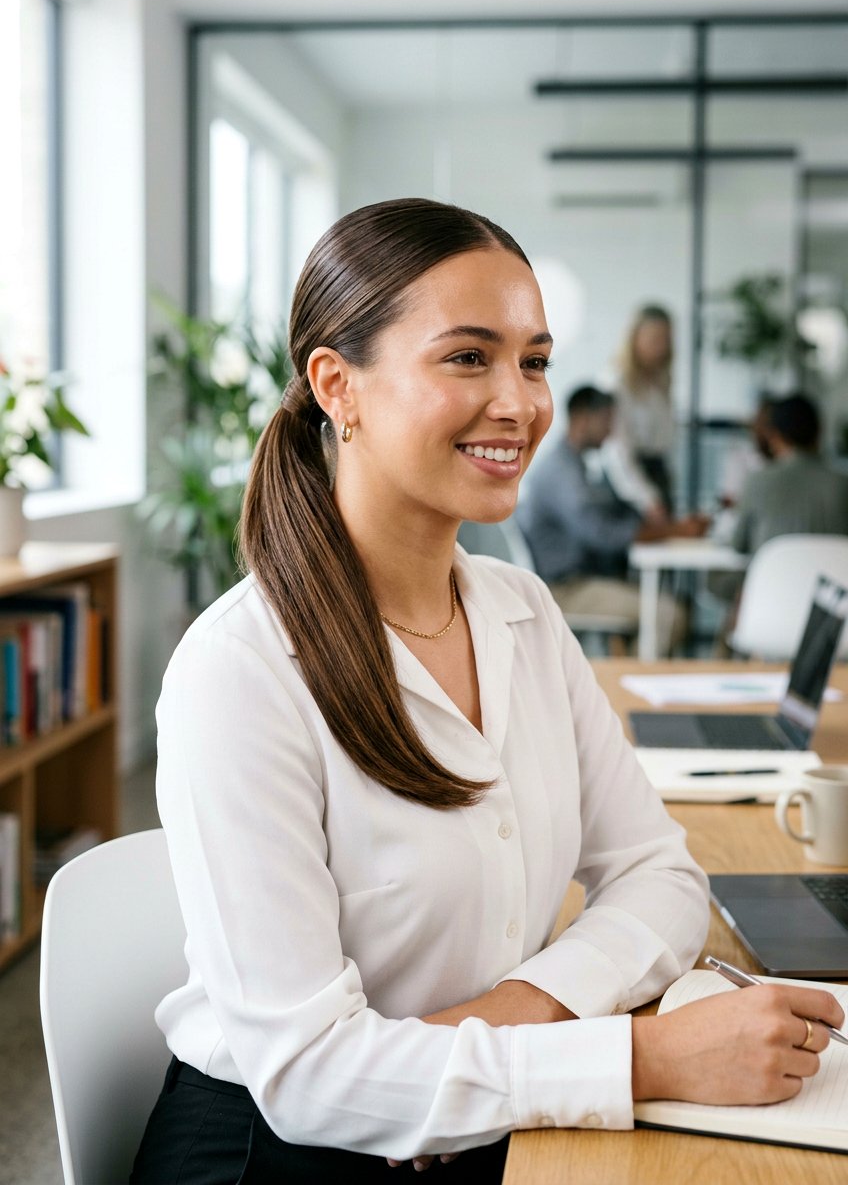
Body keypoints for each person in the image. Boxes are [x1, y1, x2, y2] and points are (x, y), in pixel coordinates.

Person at [132, 200, 842, 1184]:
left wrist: (507, 1015)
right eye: (467, 358)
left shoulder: (519, 610)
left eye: (534, 360)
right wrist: (639, 1057)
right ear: (338, 386)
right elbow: (309, 1076)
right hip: (284, 1152)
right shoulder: (240, 669)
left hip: (479, 1105)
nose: (518, 402)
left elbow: (661, 874)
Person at [518, 385, 707, 653]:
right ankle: (629, 686)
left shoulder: (575, 464)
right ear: (583, 419)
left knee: (662, 602)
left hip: (579, 581)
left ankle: (623, 675)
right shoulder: (562, 472)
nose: (611, 431)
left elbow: (607, 518)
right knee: (669, 614)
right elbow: (602, 535)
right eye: (606, 420)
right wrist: (673, 530)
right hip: (566, 590)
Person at [731, 392, 848, 555]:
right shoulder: (842, 484)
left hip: (773, 580)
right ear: (819, 432)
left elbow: (738, 545)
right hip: (834, 579)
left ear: (774, 436)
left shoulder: (756, 481)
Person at [602, 303, 677, 519]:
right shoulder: (617, 382)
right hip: (629, 482)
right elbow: (618, 451)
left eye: (666, 339)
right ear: (634, 337)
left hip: (657, 474)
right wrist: (647, 499)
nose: (661, 347)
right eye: (654, 338)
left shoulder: (660, 381)